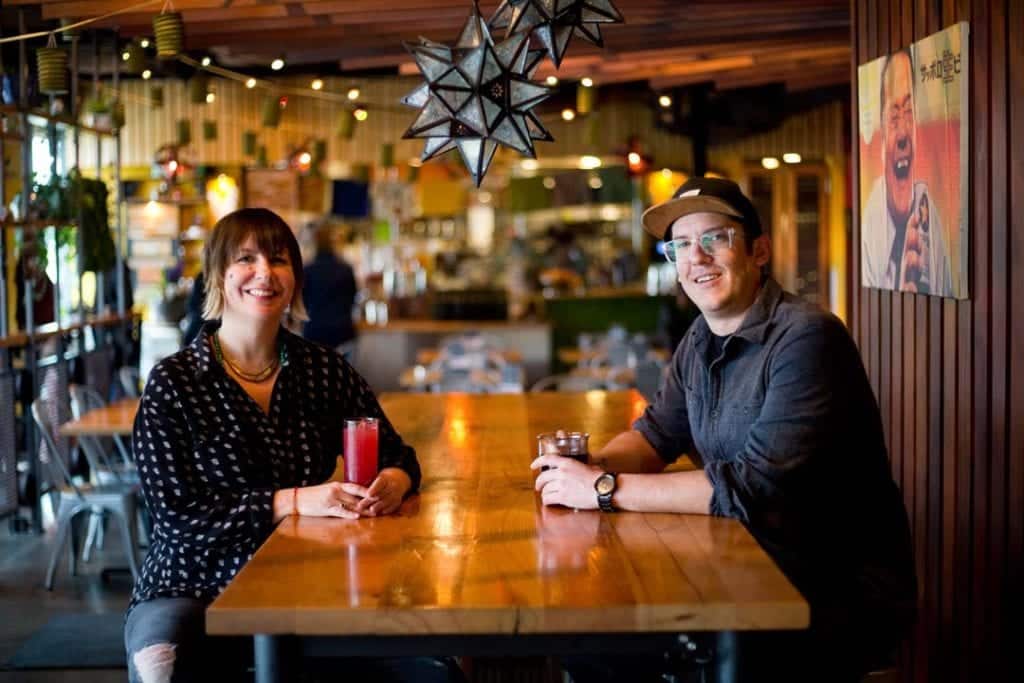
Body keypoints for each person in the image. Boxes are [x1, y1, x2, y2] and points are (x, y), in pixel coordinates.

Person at [532, 177, 917, 682]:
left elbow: (752, 487)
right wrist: (587, 467)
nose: (697, 258)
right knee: (589, 637)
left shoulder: (807, 338)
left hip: (826, 591)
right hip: (744, 568)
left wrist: (604, 490)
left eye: (715, 239)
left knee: (608, 649)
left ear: (759, 251)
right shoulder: (701, 337)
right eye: (682, 245)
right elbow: (654, 436)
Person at [124, 208, 451, 683]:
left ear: (295, 279)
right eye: (246, 259)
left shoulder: (322, 368)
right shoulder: (175, 382)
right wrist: (293, 501)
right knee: (163, 663)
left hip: (306, 572)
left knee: (426, 666)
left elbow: (397, 455)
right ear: (218, 276)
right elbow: (177, 517)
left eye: (278, 259)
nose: (264, 272)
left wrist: (394, 483)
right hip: (192, 583)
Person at [862, 48, 953, 296]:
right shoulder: (870, 223)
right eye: (893, 116)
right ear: (880, 136)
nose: (903, 134)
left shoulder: (928, 215)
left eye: (909, 112)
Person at [302, 226, 358, 351]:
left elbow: (302, 303)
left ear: (314, 244)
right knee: (342, 370)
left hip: (314, 331)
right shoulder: (346, 269)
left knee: (315, 370)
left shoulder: (308, 270)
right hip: (343, 332)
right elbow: (353, 298)